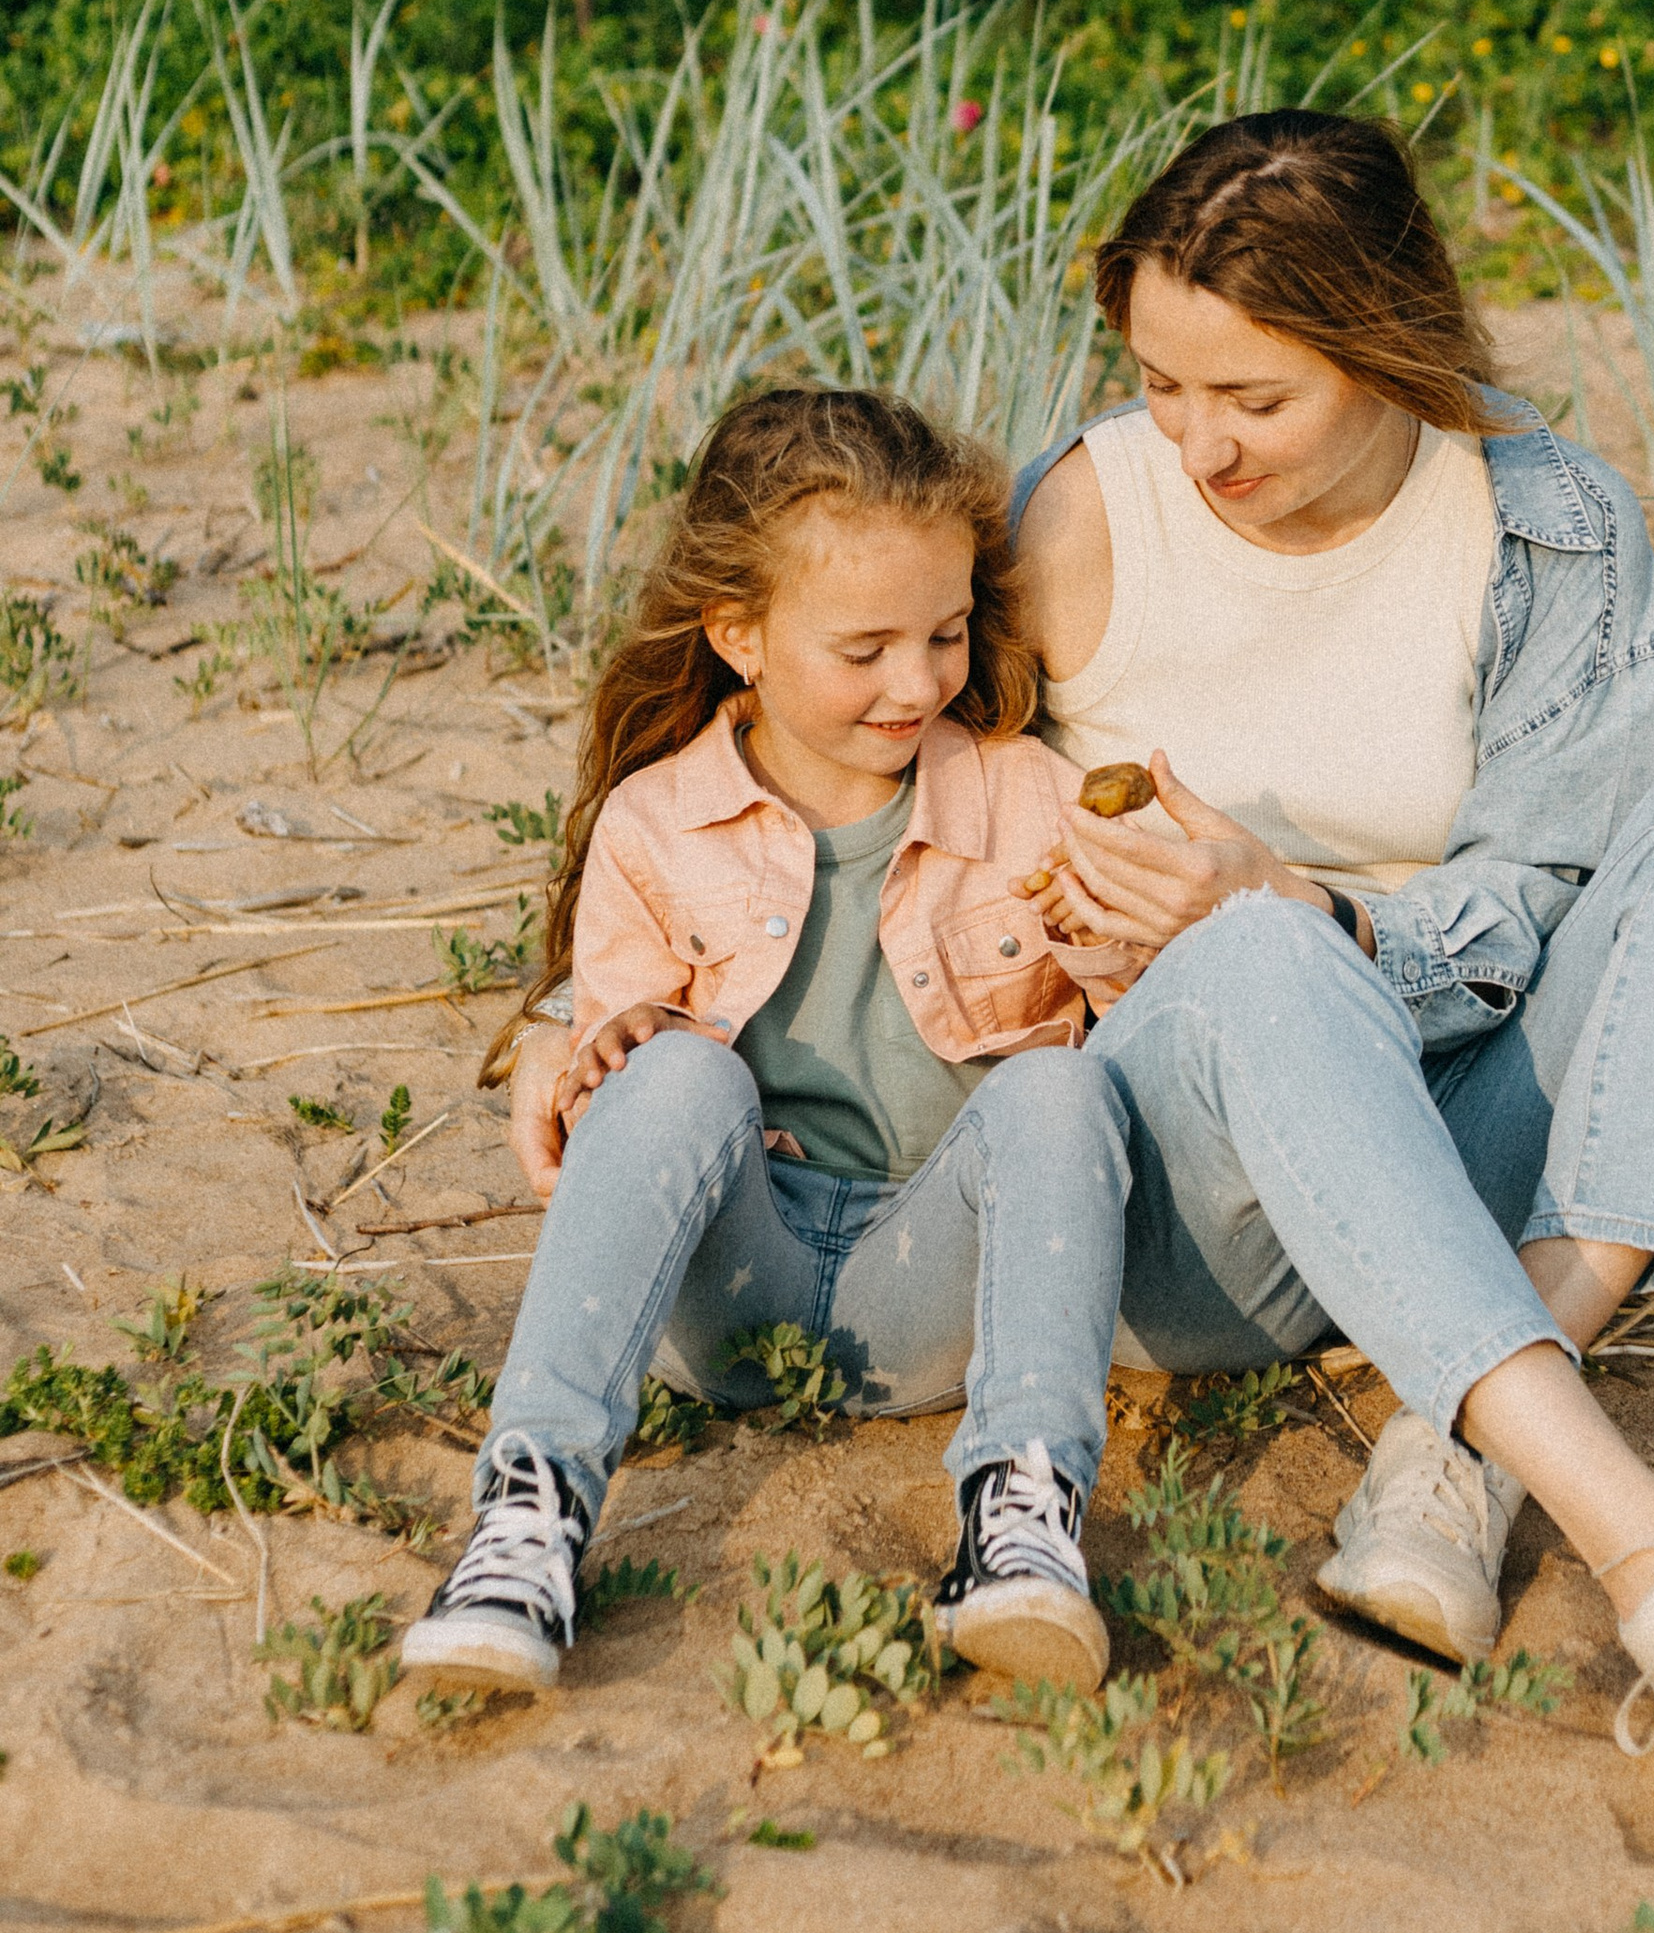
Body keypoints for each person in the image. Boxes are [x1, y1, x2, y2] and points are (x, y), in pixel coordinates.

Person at [1018, 110, 1654, 1811]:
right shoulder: (1080, 518)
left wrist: (1326, 906)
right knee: (1261, 959)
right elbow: (847, 767)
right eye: (1162, 382)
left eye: (1257, 399)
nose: (1199, 443)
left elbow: (1556, 881)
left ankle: (1462, 1429)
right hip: (1197, 1204)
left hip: (1456, 1112)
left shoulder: (1546, 520)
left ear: (1387, 343)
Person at [403, 388, 1135, 1698]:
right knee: (676, 1067)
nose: (917, 683)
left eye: (947, 633)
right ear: (738, 632)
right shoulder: (656, 824)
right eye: (865, 649)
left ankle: (1021, 1513)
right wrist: (614, 1041)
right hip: (723, 1287)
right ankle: (528, 1515)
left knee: (1060, 1088)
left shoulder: (1026, 797)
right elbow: (608, 1087)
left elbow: (1134, 1028)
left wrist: (1118, 937)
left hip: (939, 1295)